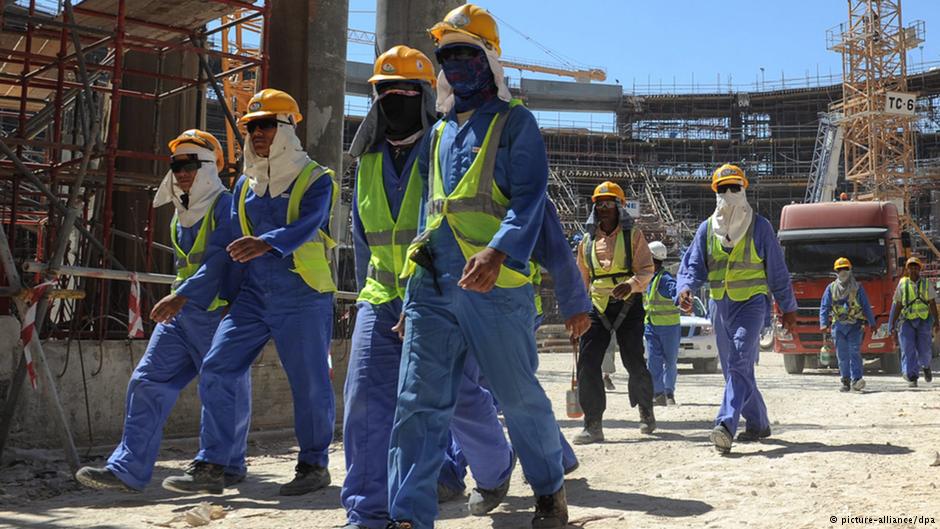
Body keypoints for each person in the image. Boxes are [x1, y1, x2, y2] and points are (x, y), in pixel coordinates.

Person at [386, 5, 569, 528]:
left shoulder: (517, 124)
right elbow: (430, 214)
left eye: (467, 54)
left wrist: (499, 251)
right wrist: (412, 290)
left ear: (489, 60)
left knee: (517, 396)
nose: (456, 66)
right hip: (434, 285)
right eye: (447, 57)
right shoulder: (439, 134)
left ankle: (549, 491)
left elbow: (531, 199)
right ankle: (408, 516)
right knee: (416, 403)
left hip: (496, 286)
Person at [342, 45, 523, 528]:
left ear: (425, 94)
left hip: (439, 295)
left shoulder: (448, 148)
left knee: (458, 398)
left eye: (405, 91)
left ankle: (495, 465)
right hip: (381, 298)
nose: (394, 100)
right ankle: (367, 513)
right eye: (385, 92)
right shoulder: (367, 163)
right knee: (364, 398)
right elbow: (364, 239)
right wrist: (365, 293)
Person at [161, 89, 339, 496]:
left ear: (288, 128)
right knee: (219, 366)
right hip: (253, 296)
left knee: (309, 382)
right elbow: (223, 250)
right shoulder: (244, 186)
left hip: (303, 293)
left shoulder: (315, 178)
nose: (257, 133)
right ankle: (214, 464)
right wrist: (185, 294)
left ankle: (313, 464)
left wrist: (267, 242)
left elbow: (309, 224)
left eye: (266, 125)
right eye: (251, 127)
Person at [74, 130, 251, 493]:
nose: (182, 172)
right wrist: (181, 300)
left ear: (207, 168)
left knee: (222, 387)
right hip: (183, 314)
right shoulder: (179, 216)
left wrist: (181, 296)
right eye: (176, 165)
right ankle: (127, 469)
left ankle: (224, 465)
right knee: (147, 381)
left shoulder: (225, 205)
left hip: (213, 313)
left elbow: (222, 259)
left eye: (190, 164)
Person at [437, 200, 591, 501]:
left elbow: (557, 252)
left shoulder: (525, 189)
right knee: (494, 386)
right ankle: (557, 456)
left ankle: (453, 471)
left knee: (477, 386)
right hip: (462, 300)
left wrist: (574, 304)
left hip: (508, 303)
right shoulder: (445, 184)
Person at [675, 163, 797, 454]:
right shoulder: (707, 230)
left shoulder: (761, 227)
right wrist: (684, 288)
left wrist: (788, 307)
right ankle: (758, 423)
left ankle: (725, 424)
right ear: (715, 193)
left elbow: (777, 272)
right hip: (720, 306)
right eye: (723, 189)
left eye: (735, 188)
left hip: (752, 305)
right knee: (734, 371)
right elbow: (692, 266)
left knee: (739, 361)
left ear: (744, 190)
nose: (729, 194)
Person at [573, 181, 655, 445]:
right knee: (587, 362)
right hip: (597, 306)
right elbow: (581, 279)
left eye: (609, 203)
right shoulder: (586, 243)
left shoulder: (633, 236)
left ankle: (645, 410)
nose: (604, 208)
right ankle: (593, 423)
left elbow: (646, 270)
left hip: (628, 306)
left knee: (634, 360)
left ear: (619, 207)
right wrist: (576, 311)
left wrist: (630, 285)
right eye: (600, 204)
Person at [819, 257, 876, 392]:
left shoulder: (858, 288)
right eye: (840, 269)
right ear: (836, 272)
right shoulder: (831, 288)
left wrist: (872, 323)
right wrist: (823, 323)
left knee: (855, 352)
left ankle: (857, 380)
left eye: (845, 269)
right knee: (842, 355)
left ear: (850, 270)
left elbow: (866, 306)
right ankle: (845, 381)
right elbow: (824, 307)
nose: (842, 271)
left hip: (855, 326)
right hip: (838, 327)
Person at [889, 256, 938, 387]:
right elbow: (898, 304)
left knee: (924, 349)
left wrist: (936, 322)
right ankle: (912, 376)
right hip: (906, 321)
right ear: (907, 269)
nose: (913, 270)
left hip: (923, 321)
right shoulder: (902, 283)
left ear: (919, 269)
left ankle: (926, 366)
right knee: (908, 348)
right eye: (911, 267)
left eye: (916, 267)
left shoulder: (926, 284)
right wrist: (892, 323)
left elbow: (932, 303)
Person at [644, 241, 681, 406]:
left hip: (669, 327)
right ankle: (657, 393)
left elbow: (676, 293)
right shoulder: (650, 279)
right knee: (653, 361)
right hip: (652, 326)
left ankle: (669, 392)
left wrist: (681, 298)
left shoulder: (666, 279)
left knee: (670, 361)